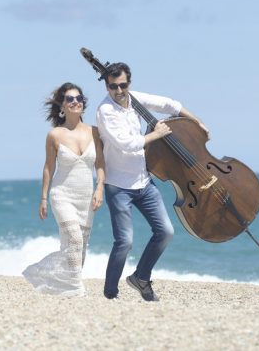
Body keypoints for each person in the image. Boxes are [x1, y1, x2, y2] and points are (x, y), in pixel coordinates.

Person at [97, 62, 208, 301]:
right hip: (118, 186)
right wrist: (156, 134)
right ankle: (110, 293)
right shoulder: (105, 111)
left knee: (165, 232)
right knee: (124, 242)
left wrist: (196, 122)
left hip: (143, 181)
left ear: (129, 83)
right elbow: (125, 144)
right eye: (113, 86)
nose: (118, 91)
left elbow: (170, 105)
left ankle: (141, 278)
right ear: (106, 86)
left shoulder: (134, 98)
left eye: (123, 85)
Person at [23, 83, 105, 297]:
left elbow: (100, 165)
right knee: (75, 240)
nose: (75, 101)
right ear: (62, 105)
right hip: (62, 195)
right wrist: (42, 198)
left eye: (78, 98)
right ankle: (76, 288)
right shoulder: (55, 135)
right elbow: (48, 167)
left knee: (80, 245)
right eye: (70, 99)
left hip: (87, 197)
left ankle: (63, 284)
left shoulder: (95, 132)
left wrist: (100, 189)